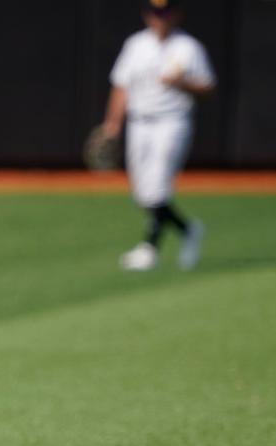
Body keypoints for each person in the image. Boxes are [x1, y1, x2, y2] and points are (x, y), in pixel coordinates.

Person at [101, 0, 215, 271]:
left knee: (156, 187)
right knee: (142, 192)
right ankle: (187, 229)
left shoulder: (188, 48)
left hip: (172, 122)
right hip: (139, 122)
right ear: (146, 15)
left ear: (175, 15)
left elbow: (208, 89)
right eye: (155, 12)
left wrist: (182, 82)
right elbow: (121, 85)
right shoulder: (136, 45)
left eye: (164, 12)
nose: (159, 18)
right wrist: (112, 123)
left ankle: (149, 247)